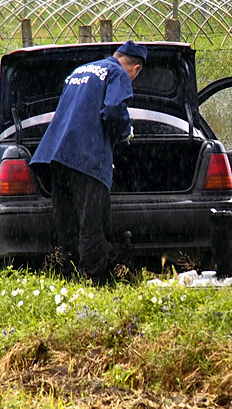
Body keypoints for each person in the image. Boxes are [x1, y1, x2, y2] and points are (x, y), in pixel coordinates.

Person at [29, 40, 146, 282]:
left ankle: (69, 277)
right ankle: (94, 281)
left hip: (56, 154)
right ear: (135, 69)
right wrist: (125, 132)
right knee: (92, 223)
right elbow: (113, 110)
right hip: (86, 156)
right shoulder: (118, 73)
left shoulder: (80, 70)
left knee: (67, 222)